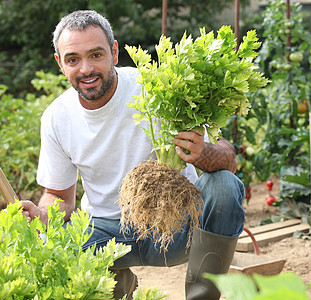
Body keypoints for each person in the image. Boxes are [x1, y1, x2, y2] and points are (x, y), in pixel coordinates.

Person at [20, 10, 245, 300]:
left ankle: (202, 296)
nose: (86, 68)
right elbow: (60, 197)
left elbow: (229, 158)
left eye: (96, 55)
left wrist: (202, 153)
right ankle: (116, 281)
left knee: (225, 186)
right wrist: (42, 215)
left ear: (114, 52)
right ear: (60, 64)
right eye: (73, 59)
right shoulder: (56, 117)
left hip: (176, 226)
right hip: (103, 235)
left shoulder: (156, 88)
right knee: (58, 249)